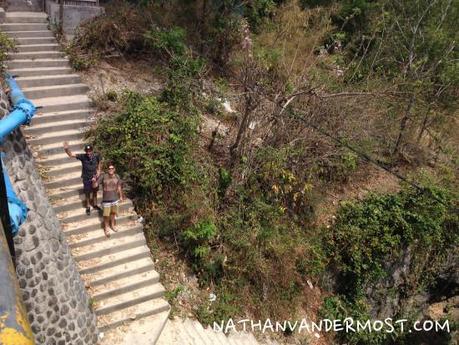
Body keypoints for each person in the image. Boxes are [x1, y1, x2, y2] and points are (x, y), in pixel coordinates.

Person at [63, 142, 101, 215]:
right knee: (87, 193)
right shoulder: (83, 157)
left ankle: (95, 204)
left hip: (95, 178)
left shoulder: (97, 156)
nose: (88, 152)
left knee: (95, 192)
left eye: (89, 151)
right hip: (86, 178)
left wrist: (98, 174)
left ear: (92, 150)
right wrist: (66, 149)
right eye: (87, 151)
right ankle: (88, 206)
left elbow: (99, 166)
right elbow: (71, 155)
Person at [98, 163, 124, 238]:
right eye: (109, 168)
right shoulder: (103, 176)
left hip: (115, 199)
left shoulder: (117, 176)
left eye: (112, 168)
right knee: (106, 215)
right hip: (106, 200)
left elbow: (119, 187)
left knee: (113, 213)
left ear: (114, 169)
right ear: (107, 170)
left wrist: (121, 196)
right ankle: (106, 227)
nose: (111, 170)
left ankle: (112, 225)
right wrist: (94, 181)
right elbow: (95, 185)